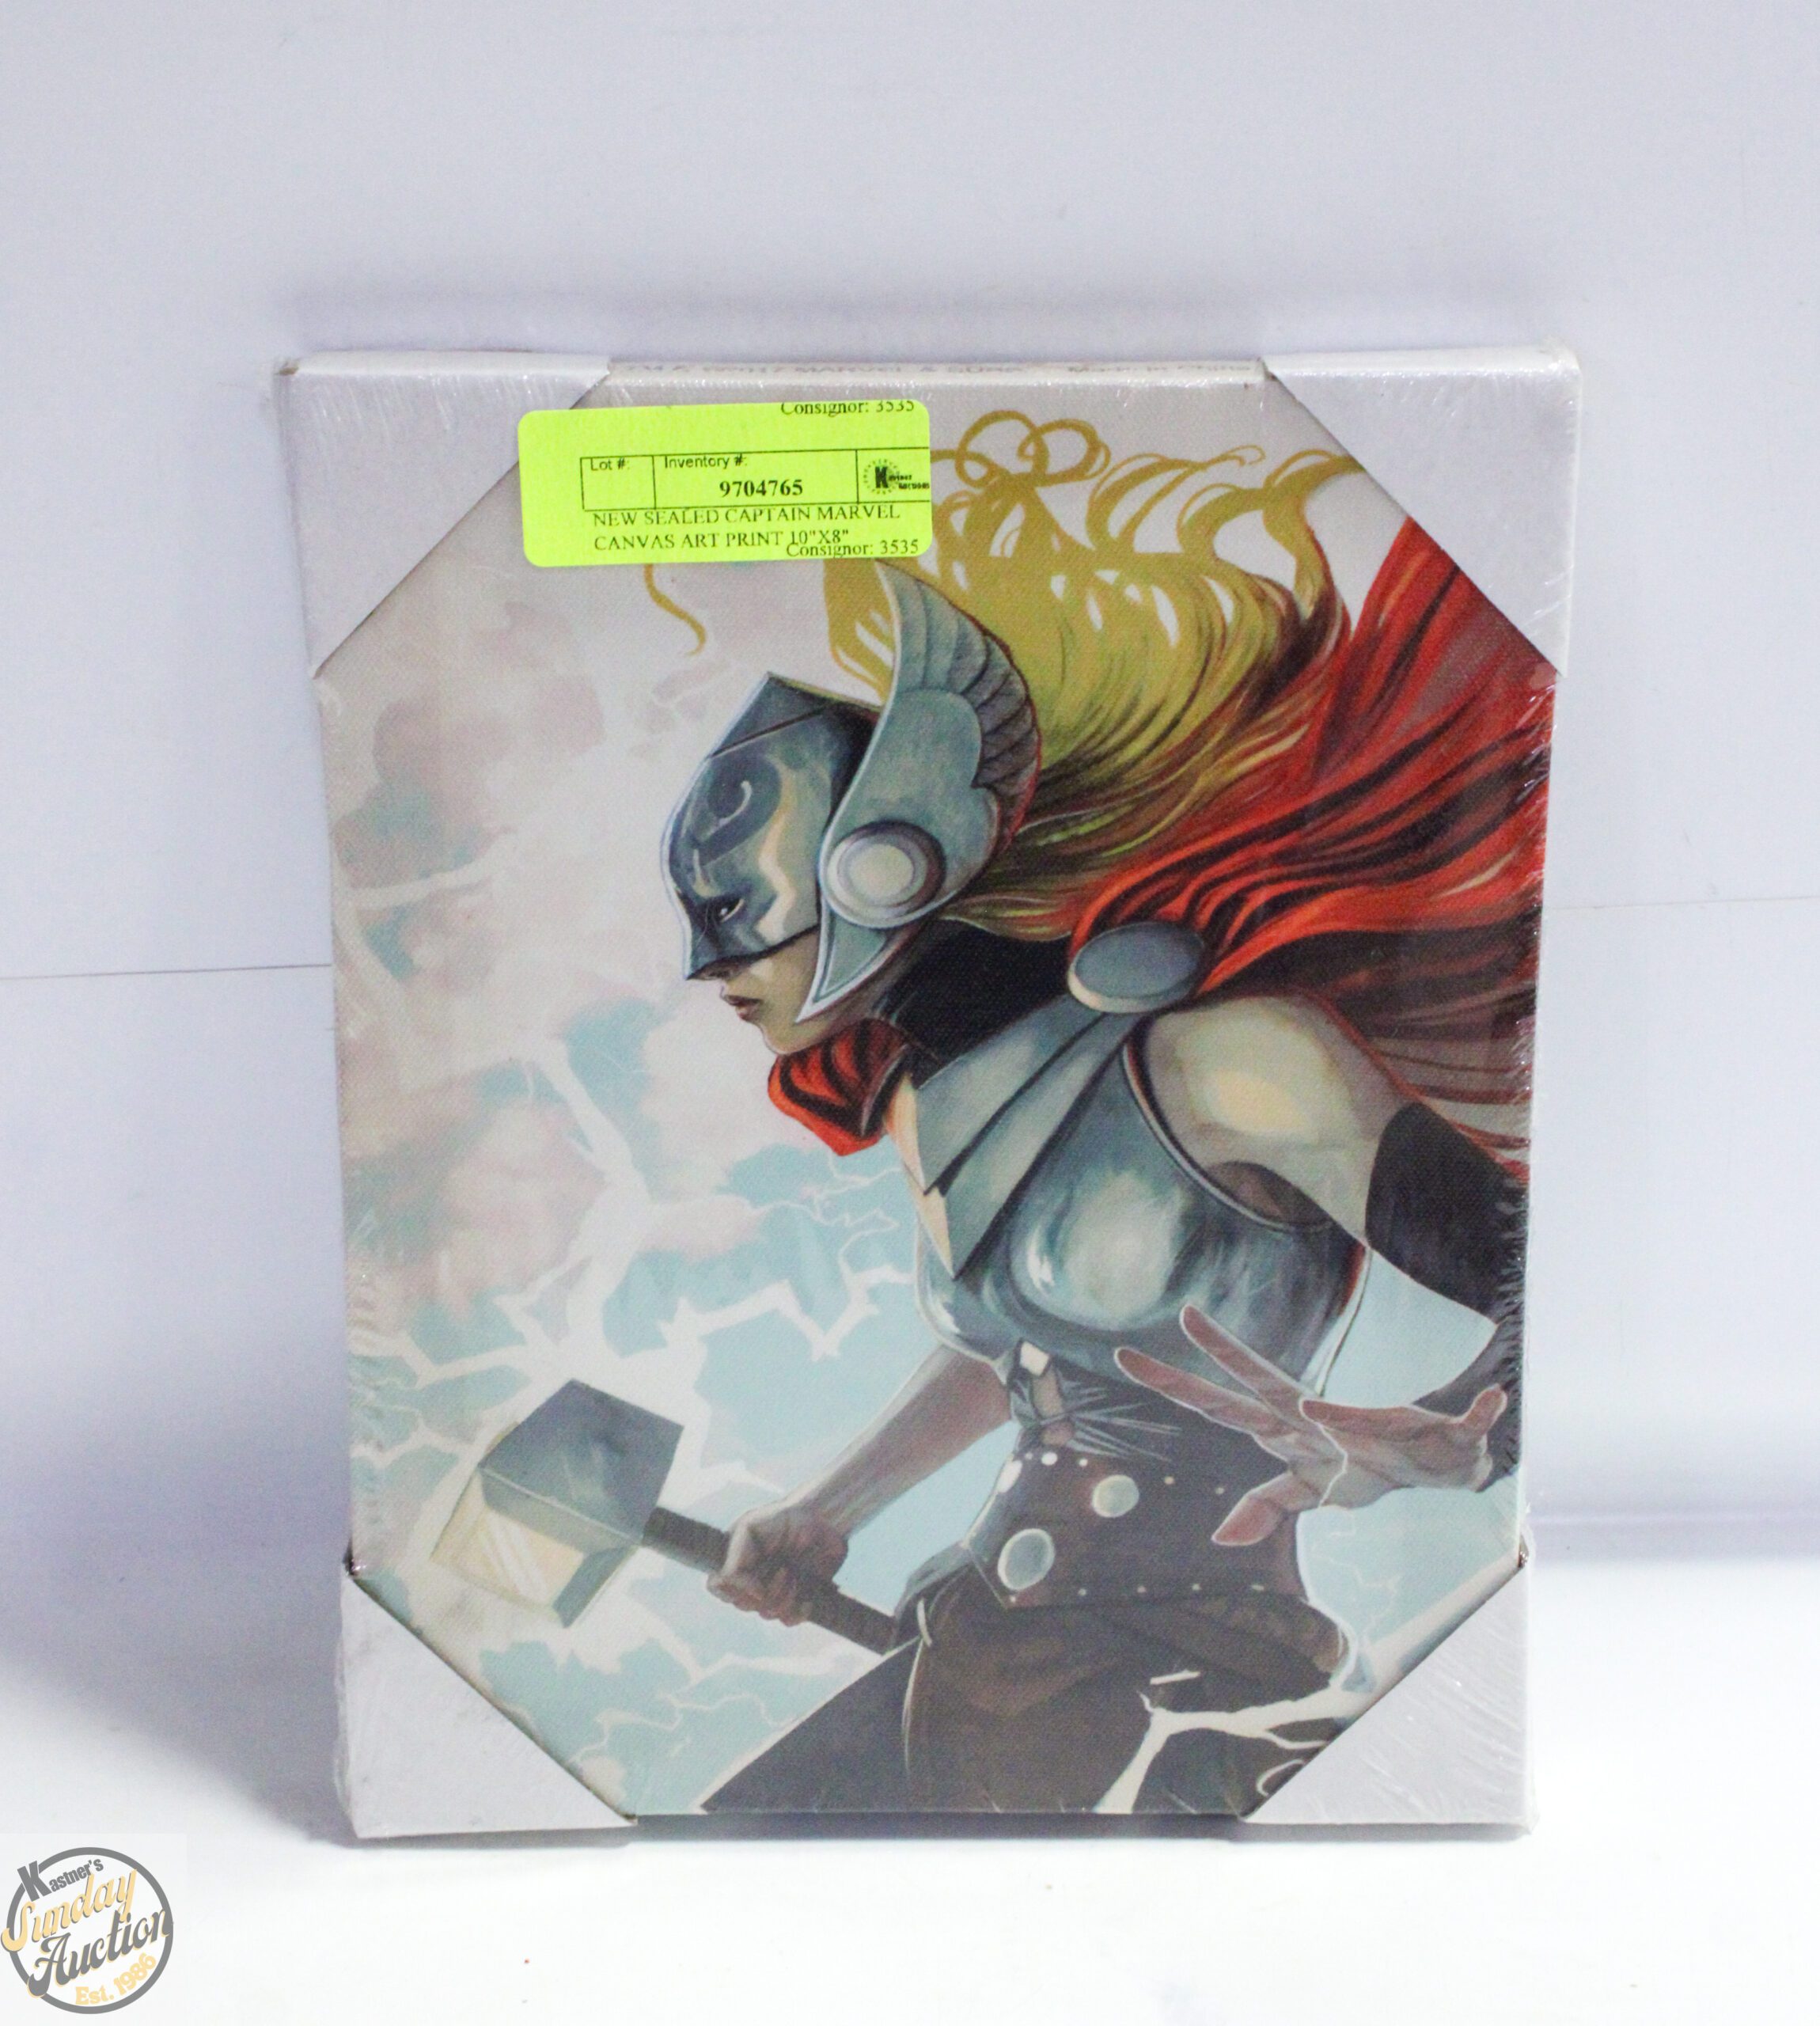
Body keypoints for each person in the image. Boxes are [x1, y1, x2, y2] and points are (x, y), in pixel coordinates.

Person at [661, 418, 1552, 1814]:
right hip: (992, 1639)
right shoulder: (927, 1098)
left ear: (884, 863)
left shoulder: (1226, 1059)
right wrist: (831, 1512)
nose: (712, 971)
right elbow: (1026, 1349)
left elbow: (1538, 1279)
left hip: (1187, 1669)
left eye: (740, 917)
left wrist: (1462, 1429)